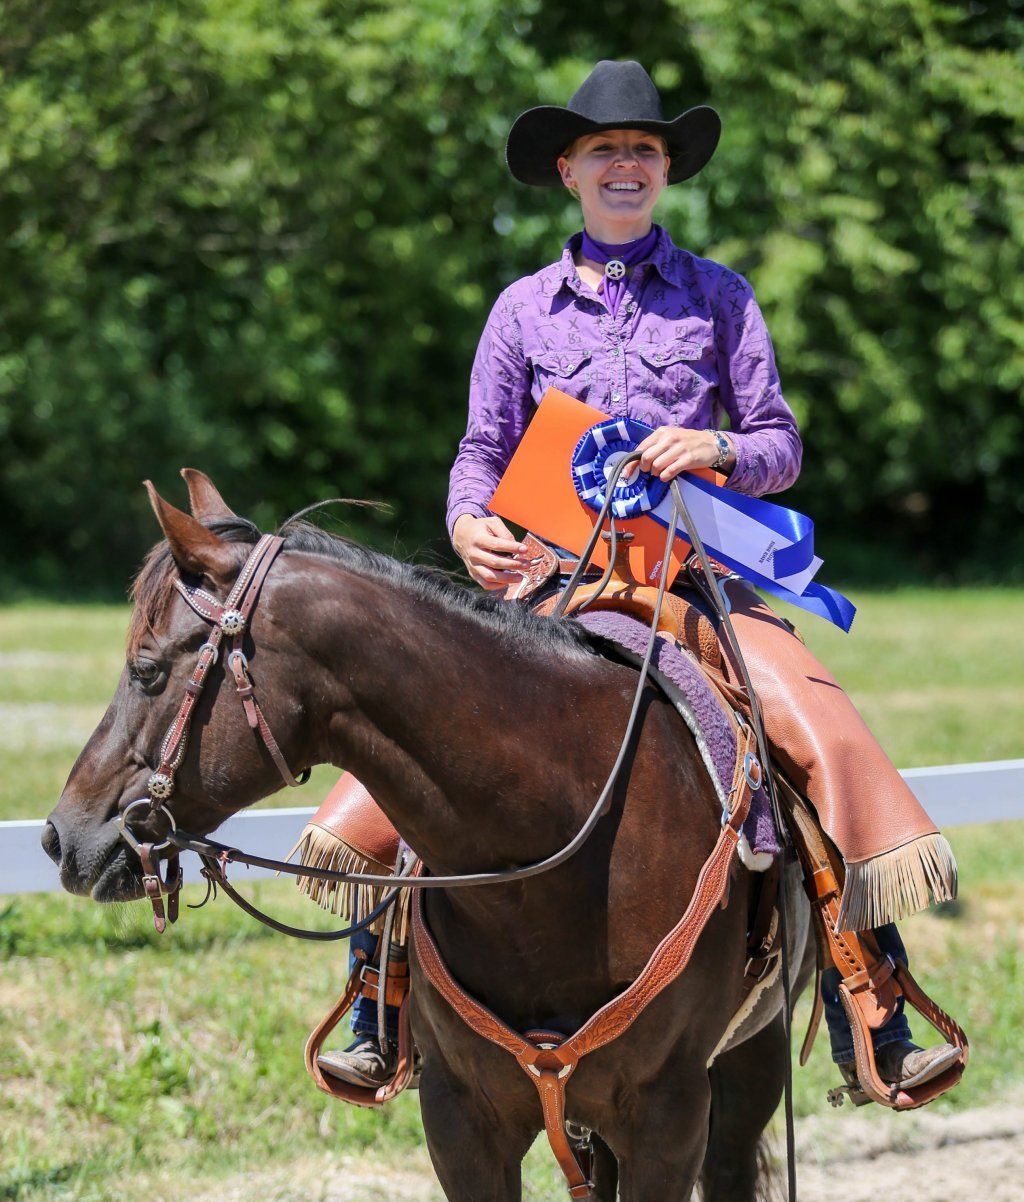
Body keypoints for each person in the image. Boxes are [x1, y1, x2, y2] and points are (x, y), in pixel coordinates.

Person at [322, 59, 960, 1099]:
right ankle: (377, 998)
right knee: (408, 741)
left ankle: (870, 1005)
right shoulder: (520, 310)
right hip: (549, 591)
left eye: (644, 150)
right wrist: (466, 520)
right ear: (568, 170)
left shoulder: (720, 296)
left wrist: (709, 446)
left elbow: (778, 445)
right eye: (605, 150)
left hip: (696, 584)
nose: (626, 164)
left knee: (817, 733)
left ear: (664, 171)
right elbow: (480, 450)